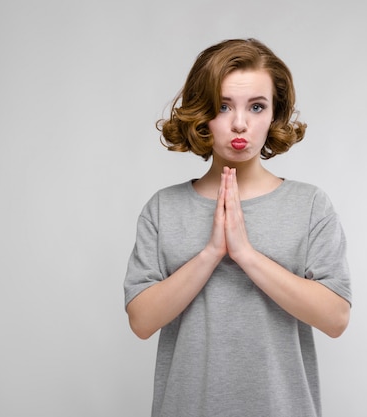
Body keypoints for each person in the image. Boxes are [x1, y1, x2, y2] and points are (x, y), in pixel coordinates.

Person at [124, 38, 351, 417]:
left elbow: (335, 318)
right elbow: (141, 321)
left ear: (274, 115)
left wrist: (245, 253)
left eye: (256, 106)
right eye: (223, 106)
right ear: (201, 114)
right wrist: (211, 252)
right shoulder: (163, 208)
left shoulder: (310, 205)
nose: (240, 122)